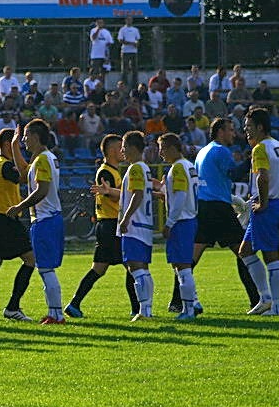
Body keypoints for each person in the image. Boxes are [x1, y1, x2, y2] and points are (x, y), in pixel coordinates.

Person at [166, 117, 259, 313]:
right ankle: (257, 300)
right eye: (230, 130)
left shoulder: (203, 151)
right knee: (244, 252)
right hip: (219, 210)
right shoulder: (221, 150)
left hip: (204, 208)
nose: (234, 133)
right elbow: (234, 174)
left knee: (190, 258)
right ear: (220, 132)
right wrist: (252, 159)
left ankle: (177, 301)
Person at [66, 134, 140, 318]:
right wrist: (133, 193)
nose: (123, 151)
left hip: (107, 225)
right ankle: (137, 309)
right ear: (112, 150)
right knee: (131, 265)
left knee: (99, 269)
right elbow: (111, 195)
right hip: (111, 225)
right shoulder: (106, 171)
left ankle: (74, 304)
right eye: (120, 147)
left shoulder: (113, 170)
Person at [6, 119, 64, 324]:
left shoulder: (42, 160)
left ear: (36, 137)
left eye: (25, 136)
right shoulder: (43, 159)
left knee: (46, 268)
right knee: (45, 267)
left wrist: (18, 207)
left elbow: (42, 190)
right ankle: (54, 312)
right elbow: (24, 173)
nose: (23, 140)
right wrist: (14, 147)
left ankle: (56, 314)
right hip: (47, 218)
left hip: (45, 219)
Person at [0, 126, 34, 322]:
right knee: (30, 260)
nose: (20, 146)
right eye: (16, 143)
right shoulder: (4, 164)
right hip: (7, 219)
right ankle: (13, 306)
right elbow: (25, 175)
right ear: (7, 144)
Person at [239, 107, 279, 316]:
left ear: (260, 127)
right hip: (272, 202)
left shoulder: (260, 148)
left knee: (271, 256)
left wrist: (263, 203)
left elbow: (263, 177)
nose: (246, 130)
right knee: (245, 251)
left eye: (249, 126)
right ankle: (266, 299)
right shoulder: (277, 146)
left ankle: (277, 305)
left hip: (266, 204)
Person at [154, 133, 199, 319]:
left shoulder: (178, 167)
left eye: (163, 148)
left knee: (182, 266)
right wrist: (162, 190)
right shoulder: (188, 166)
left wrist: (169, 223)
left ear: (173, 148)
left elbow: (180, 197)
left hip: (182, 222)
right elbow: (181, 193)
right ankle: (194, 302)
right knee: (180, 266)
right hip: (190, 219)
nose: (160, 153)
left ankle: (188, 309)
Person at [117, 130, 155, 322]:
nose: (121, 150)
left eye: (123, 146)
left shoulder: (135, 169)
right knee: (143, 268)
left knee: (135, 268)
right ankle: (146, 309)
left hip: (135, 224)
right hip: (145, 224)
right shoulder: (145, 168)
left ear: (132, 147)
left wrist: (125, 219)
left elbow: (137, 194)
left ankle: (144, 311)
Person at [117, 16, 140, 89]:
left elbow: (138, 39)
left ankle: (135, 85)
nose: (129, 21)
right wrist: (131, 43)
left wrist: (136, 44)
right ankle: (125, 85)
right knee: (124, 69)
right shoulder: (122, 29)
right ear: (125, 20)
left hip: (134, 51)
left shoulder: (135, 30)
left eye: (130, 19)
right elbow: (120, 40)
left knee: (135, 69)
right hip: (125, 51)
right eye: (128, 19)